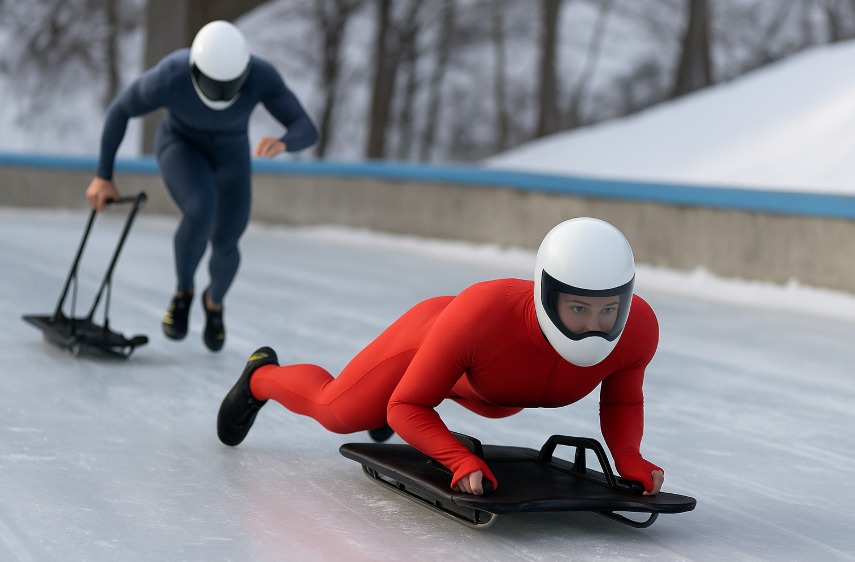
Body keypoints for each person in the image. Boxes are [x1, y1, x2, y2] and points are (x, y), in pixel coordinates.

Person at [217, 217, 665, 495]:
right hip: (433, 343)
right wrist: (458, 459)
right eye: (578, 308)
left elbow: (624, 400)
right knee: (335, 410)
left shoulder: (638, 327)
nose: (594, 325)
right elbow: (406, 406)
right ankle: (262, 375)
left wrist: (629, 457)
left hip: (493, 385)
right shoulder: (480, 316)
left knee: (488, 403)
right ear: (546, 294)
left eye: (609, 309)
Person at [85, 20, 318, 351]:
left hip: (231, 154)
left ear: (245, 72)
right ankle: (183, 293)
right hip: (180, 145)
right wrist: (103, 175)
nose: (219, 94)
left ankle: (214, 302)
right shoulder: (172, 74)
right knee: (201, 207)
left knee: (228, 240)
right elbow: (122, 109)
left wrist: (285, 142)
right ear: (194, 70)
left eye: (229, 86)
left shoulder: (261, 75)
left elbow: (305, 127)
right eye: (211, 84)